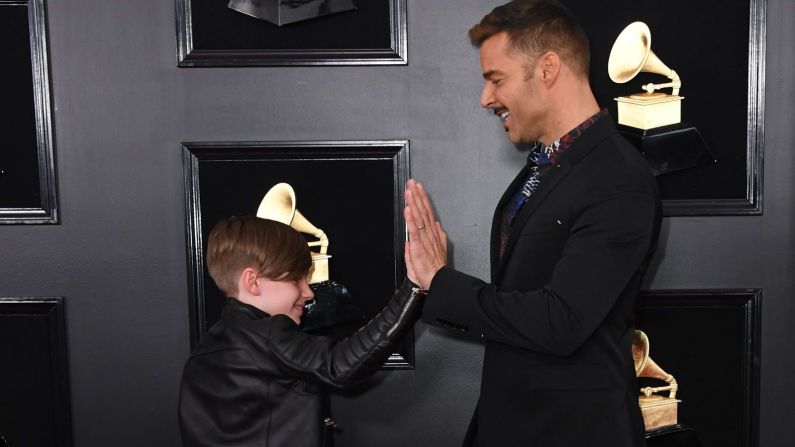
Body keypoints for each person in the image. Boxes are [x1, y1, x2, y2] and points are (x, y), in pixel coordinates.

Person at [403, 1, 662, 446]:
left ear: (547, 69)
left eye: (495, 79)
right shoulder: (545, 167)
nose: (485, 99)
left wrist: (443, 284)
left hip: (573, 431)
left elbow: (560, 321)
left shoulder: (617, 177)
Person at [178, 215, 426, 446]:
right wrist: (414, 289)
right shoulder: (268, 334)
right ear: (252, 281)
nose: (308, 293)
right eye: (296, 279)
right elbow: (339, 366)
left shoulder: (201, 355)